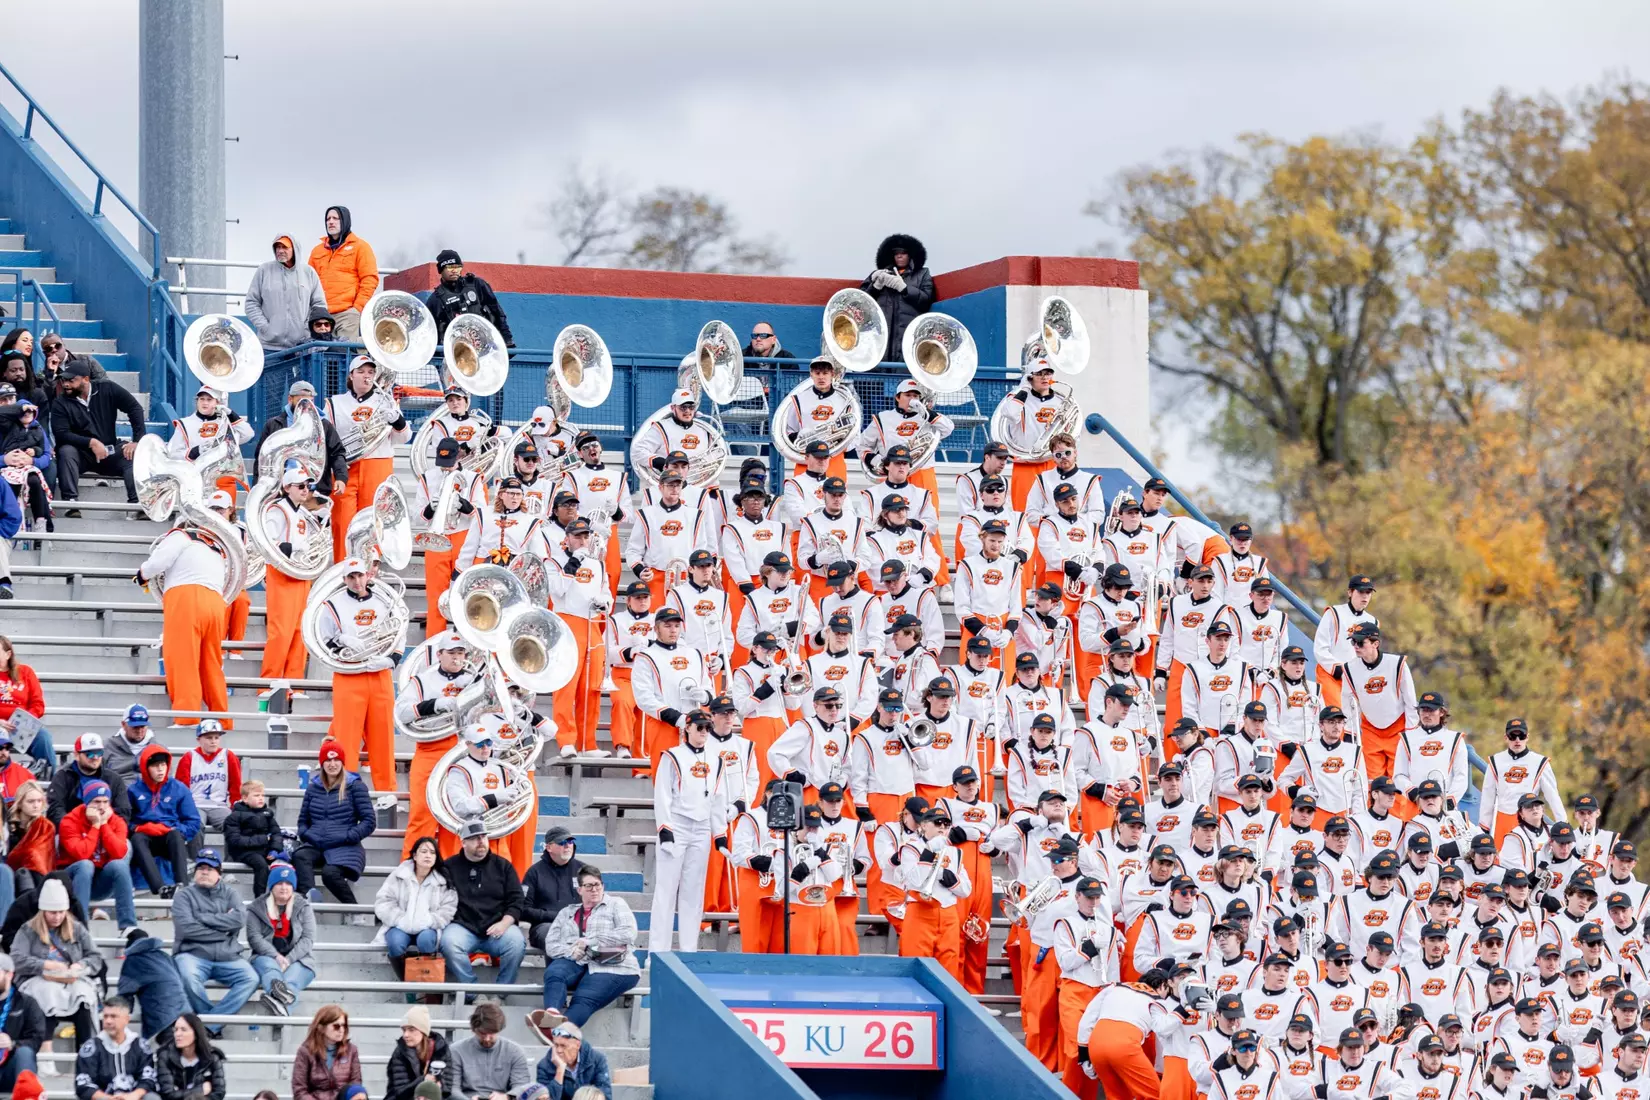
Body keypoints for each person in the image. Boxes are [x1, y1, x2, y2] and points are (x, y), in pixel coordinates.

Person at [134, 514, 233, 732]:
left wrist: (141, 574)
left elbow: (158, 563)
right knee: (211, 664)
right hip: (216, 603)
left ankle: (187, 717)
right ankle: (221, 719)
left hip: (186, 598)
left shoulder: (180, 536)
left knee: (182, 659)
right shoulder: (216, 546)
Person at [651, 712, 727, 955]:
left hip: (702, 827)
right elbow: (662, 794)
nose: (704, 732)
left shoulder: (717, 760)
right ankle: (658, 953)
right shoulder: (672, 756)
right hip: (677, 825)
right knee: (666, 890)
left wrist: (720, 833)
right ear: (688, 728)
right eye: (700, 727)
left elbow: (718, 798)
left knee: (693, 892)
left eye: (708, 727)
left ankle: (688, 951)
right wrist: (665, 829)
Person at [325, 355, 410, 563]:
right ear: (351, 375)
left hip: (377, 465)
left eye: (371, 372)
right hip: (345, 467)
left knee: (374, 521)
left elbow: (403, 438)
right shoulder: (334, 403)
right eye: (361, 372)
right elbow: (327, 437)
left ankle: (371, 571)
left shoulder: (386, 401)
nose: (366, 376)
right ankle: (343, 569)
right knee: (342, 521)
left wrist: (397, 420)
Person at [540, 867, 640, 1029]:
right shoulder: (567, 912)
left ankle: (559, 1033)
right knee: (554, 972)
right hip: (578, 961)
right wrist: (572, 951)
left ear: (603, 886)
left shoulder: (616, 904)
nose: (594, 889)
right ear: (579, 889)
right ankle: (552, 1013)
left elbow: (628, 933)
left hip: (614, 965)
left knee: (584, 998)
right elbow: (551, 945)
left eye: (597, 885)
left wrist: (590, 941)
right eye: (588, 886)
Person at [170, 848, 258, 1019]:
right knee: (188, 978)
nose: (204, 872)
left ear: (219, 873)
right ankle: (210, 1022)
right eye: (201, 868)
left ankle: (208, 1026)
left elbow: (239, 920)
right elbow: (187, 929)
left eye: (210, 869)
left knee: (251, 979)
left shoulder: (231, 893)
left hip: (228, 957)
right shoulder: (183, 896)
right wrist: (222, 932)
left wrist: (202, 918)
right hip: (193, 954)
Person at [14, 879, 103, 1046]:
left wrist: (80, 966)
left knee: (83, 997)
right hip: (39, 979)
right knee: (45, 994)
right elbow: (17, 959)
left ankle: (85, 1052)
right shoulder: (28, 930)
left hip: (71, 980)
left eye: (61, 912)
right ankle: (46, 1053)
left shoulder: (76, 928)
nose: (57, 917)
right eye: (52, 912)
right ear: (43, 911)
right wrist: (45, 965)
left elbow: (95, 957)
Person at [50, 357, 144, 513]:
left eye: (71, 380)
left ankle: (137, 506)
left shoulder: (107, 388)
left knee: (132, 455)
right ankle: (71, 504)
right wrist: (91, 443)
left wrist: (137, 441)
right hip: (81, 454)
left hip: (109, 451)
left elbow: (135, 408)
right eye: (64, 380)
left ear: (86, 379)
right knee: (66, 451)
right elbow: (61, 434)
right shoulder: (60, 402)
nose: (66, 384)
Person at [439, 820, 527, 985]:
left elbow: (517, 900)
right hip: (462, 926)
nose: (481, 841)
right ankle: (471, 992)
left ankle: (500, 993)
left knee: (516, 944)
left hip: (497, 926)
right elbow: (439, 899)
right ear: (463, 842)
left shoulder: (503, 866)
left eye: (483, 837)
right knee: (449, 943)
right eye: (474, 838)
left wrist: (504, 923)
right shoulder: (449, 867)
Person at [294, 740, 377, 907]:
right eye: (328, 761)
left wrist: (348, 836)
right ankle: (308, 899)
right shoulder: (313, 788)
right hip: (317, 843)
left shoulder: (355, 786)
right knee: (300, 856)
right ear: (322, 763)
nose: (332, 764)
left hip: (345, 845)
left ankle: (355, 910)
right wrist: (308, 835)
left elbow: (369, 821)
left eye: (336, 760)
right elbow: (303, 821)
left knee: (330, 873)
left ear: (342, 762)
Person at [56, 780, 137, 930]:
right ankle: (80, 925)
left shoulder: (116, 821)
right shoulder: (69, 821)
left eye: (106, 802)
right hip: (72, 880)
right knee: (86, 865)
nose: (101, 807)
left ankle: (128, 927)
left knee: (119, 865)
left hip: (100, 882)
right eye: (96, 802)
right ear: (86, 802)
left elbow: (119, 854)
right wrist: (95, 826)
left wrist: (104, 825)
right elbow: (82, 855)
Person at [375, 835, 459, 975]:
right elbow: (384, 900)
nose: (428, 856)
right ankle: (408, 986)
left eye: (432, 853)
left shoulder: (442, 880)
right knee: (395, 942)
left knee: (426, 941)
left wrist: (430, 920)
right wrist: (399, 919)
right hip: (400, 925)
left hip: (428, 927)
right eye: (424, 851)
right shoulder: (399, 875)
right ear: (414, 855)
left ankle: (427, 987)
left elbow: (449, 907)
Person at [252, 380, 349, 498]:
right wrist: (258, 486)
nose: (305, 405)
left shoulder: (324, 425)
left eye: (309, 401)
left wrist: (341, 477)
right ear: (290, 399)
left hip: (313, 490)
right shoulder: (273, 424)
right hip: (282, 490)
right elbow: (261, 457)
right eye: (300, 401)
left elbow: (337, 452)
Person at [126, 745, 201, 895]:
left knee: (175, 836)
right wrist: (138, 828)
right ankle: (159, 887)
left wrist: (176, 829)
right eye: (155, 766)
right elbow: (123, 821)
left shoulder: (179, 789)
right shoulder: (133, 790)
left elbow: (193, 821)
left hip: (169, 838)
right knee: (138, 839)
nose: (160, 769)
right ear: (145, 768)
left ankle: (182, 885)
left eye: (163, 765)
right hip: (145, 838)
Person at [245, 863, 316, 1015]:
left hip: (300, 959)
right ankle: (282, 1008)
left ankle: (280, 1009)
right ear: (271, 886)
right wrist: (276, 956)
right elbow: (254, 938)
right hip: (265, 956)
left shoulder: (303, 907)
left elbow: (308, 939)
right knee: (271, 970)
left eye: (288, 883)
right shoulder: (256, 907)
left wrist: (288, 959)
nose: (284, 887)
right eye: (279, 883)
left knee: (290, 982)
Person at [244, 233, 329, 349]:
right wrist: (266, 328)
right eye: (277, 247)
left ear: (294, 249)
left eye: (285, 247)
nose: (280, 250)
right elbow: (251, 303)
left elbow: (319, 306)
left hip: (300, 348)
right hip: (268, 347)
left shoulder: (308, 272)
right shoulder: (264, 270)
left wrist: (305, 329)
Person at [860, 234, 934, 363]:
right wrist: (875, 285)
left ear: (910, 255)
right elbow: (862, 302)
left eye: (903, 252)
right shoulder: (880, 274)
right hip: (880, 339)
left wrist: (905, 288)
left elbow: (926, 300)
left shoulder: (923, 274)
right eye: (896, 253)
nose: (899, 256)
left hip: (907, 338)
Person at [307, 207, 378, 340]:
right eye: (328, 219)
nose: (331, 222)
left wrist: (357, 308)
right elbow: (308, 282)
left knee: (343, 356)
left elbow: (370, 279)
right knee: (319, 356)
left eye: (335, 218)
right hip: (321, 315)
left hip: (347, 314)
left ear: (345, 220)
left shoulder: (361, 247)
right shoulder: (317, 251)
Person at [73, 997, 159, 1100]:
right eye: (105, 1016)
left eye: (113, 1016)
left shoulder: (140, 1046)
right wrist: (108, 1098)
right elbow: (83, 1084)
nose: (108, 1021)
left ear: (127, 1019)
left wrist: (132, 1096)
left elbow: (148, 1079)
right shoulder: (91, 1047)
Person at [116, 928, 189, 1043]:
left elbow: (125, 993)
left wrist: (121, 1018)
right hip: (186, 1013)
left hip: (163, 1019)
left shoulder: (134, 960)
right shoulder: (165, 956)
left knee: (170, 1055)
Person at [427, 250, 514, 345]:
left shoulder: (477, 284)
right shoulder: (435, 299)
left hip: (486, 346)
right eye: (449, 267)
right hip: (456, 351)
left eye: (458, 267)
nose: (454, 270)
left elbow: (497, 312)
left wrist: (507, 340)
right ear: (441, 270)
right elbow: (429, 332)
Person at [523, 827, 587, 952]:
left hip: (578, 925)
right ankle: (557, 972)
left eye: (570, 842)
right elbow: (524, 910)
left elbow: (596, 903)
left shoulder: (583, 870)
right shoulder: (534, 872)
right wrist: (556, 916)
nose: (567, 846)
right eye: (562, 843)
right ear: (549, 847)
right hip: (544, 926)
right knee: (555, 936)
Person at [451, 1003, 532, 1100]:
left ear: (499, 1029)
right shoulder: (456, 1050)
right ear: (473, 1029)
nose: (487, 1039)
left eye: (492, 1033)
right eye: (482, 1033)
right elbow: (452, 1088)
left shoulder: (515, 1052)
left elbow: (522, 1086)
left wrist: (507, 1097)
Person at [0, 636, 55, 777]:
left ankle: (48, 781)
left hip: (21, 727)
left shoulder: (25, 672)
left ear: (8, 654)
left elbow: (38, 704)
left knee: (43, 738)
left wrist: (25, 720)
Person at [169, 721, 239, 830]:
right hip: (195, 806)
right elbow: (181, 788)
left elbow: (236, 785)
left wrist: (235, 807)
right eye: (209, 738)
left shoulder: (228, 756)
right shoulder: (189, 757)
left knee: (233, 825)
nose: (213, 741)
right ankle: (196, 848)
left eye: (216, 737)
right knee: (194, 825)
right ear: (199, 739)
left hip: (219, 805)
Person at [49, 733, 130, 826]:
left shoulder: (113, 779)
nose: (95, 758)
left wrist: (104, 826)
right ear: (76, 755)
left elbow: (123, 812)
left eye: (99, 753)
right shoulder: (63, 777)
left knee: (125, 841)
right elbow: (55, 810)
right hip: (72, 831)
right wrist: (73, 828)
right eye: (89, 754)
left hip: (105, 829)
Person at [290, 1004, 363, 1100]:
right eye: (336, 1026)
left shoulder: (351, 1050)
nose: (341, 1030)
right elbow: (299, 1090)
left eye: (344, 1025)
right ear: (321, 1028)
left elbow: (355, 1085)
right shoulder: (305, 1051)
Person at [223, 779, 281, 896]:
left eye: (262, 795)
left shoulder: (268, 814)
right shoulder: (235, 816)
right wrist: (264, 839)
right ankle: (260, 898)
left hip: (265, 851)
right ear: (245, 798)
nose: (261, 798)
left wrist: (275, 849)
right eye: (256, 795)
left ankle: (283, 897)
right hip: (244, 852)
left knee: (284, 863)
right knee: (261, 865)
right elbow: (234, 840)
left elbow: (276, 833)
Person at [387, 1006, 456, 1100]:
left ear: (423, 1031)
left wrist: (440, 1085)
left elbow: (447, 1089)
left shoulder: (441, 1050)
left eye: (411, 1030)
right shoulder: (400, 1052)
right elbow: (400, 1092)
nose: (405, 1035)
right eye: (404, 1030)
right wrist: (424, 1080)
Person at [0, 952, 46, 1091]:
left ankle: (27, 1094)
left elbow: (36, 1039)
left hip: (9, 1068)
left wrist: (12, 1044)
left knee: (25, 1052)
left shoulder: (26, 1003)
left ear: (9, 975)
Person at [152, 1014, 225, 1100]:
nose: (177, 1034)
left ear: (196, 1033)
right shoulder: (165, 1056)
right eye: (175, 1030)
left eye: (183, 1030)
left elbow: (219, 1092)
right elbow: (168, 1094)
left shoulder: (212, 1057)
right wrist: (200, 1090)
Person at [535, 1021, 610, 1100]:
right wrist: (559, 1071)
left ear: (578, 1045)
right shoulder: (544, 1066)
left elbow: (605, 1096)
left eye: (563, 1046)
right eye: (556, 1045)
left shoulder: (597, 1060)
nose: (559, 1050)